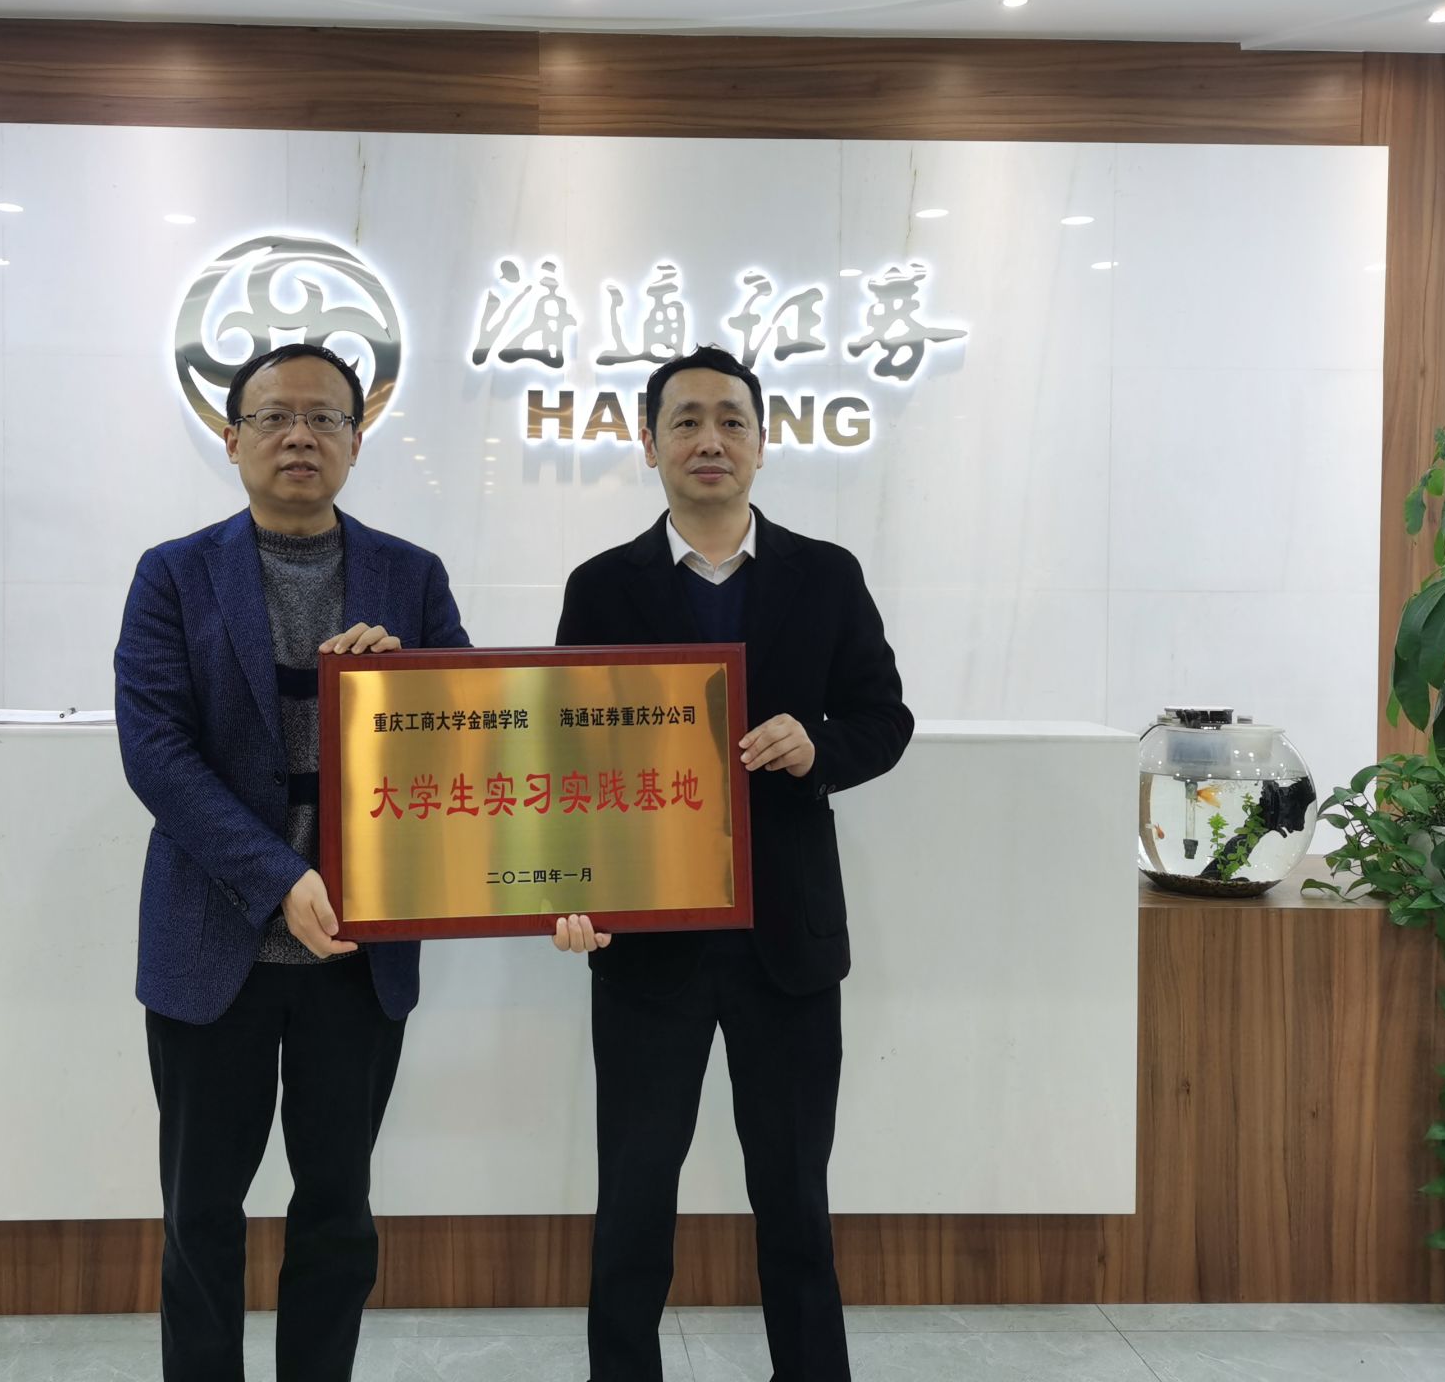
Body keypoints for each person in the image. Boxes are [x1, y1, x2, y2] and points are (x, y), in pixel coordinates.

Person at [553, 345, 914, 1382]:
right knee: (632, 1201)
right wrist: (573, 892)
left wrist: (817, 747)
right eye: (685, 421)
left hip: (785, 940)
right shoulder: (601, 587)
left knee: (794, 1200)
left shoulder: (826, 575)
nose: (708, 439)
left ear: (761, 442)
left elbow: (884, 719)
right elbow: (567, 760)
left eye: (730, 420)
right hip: (645, 944)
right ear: (649, 443)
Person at [115, 342, 468, 1382]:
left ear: (358, 441)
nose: (299, 436)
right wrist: (280, 878)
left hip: (358, 955)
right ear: (232, 439)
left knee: (338, 1213)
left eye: (325, 418)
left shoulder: (412, 575)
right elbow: (157, 753)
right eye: (273, 417)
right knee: (200, 1214)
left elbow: (471, 730)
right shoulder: (173, 575)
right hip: (211, 947)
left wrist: (410, 682)